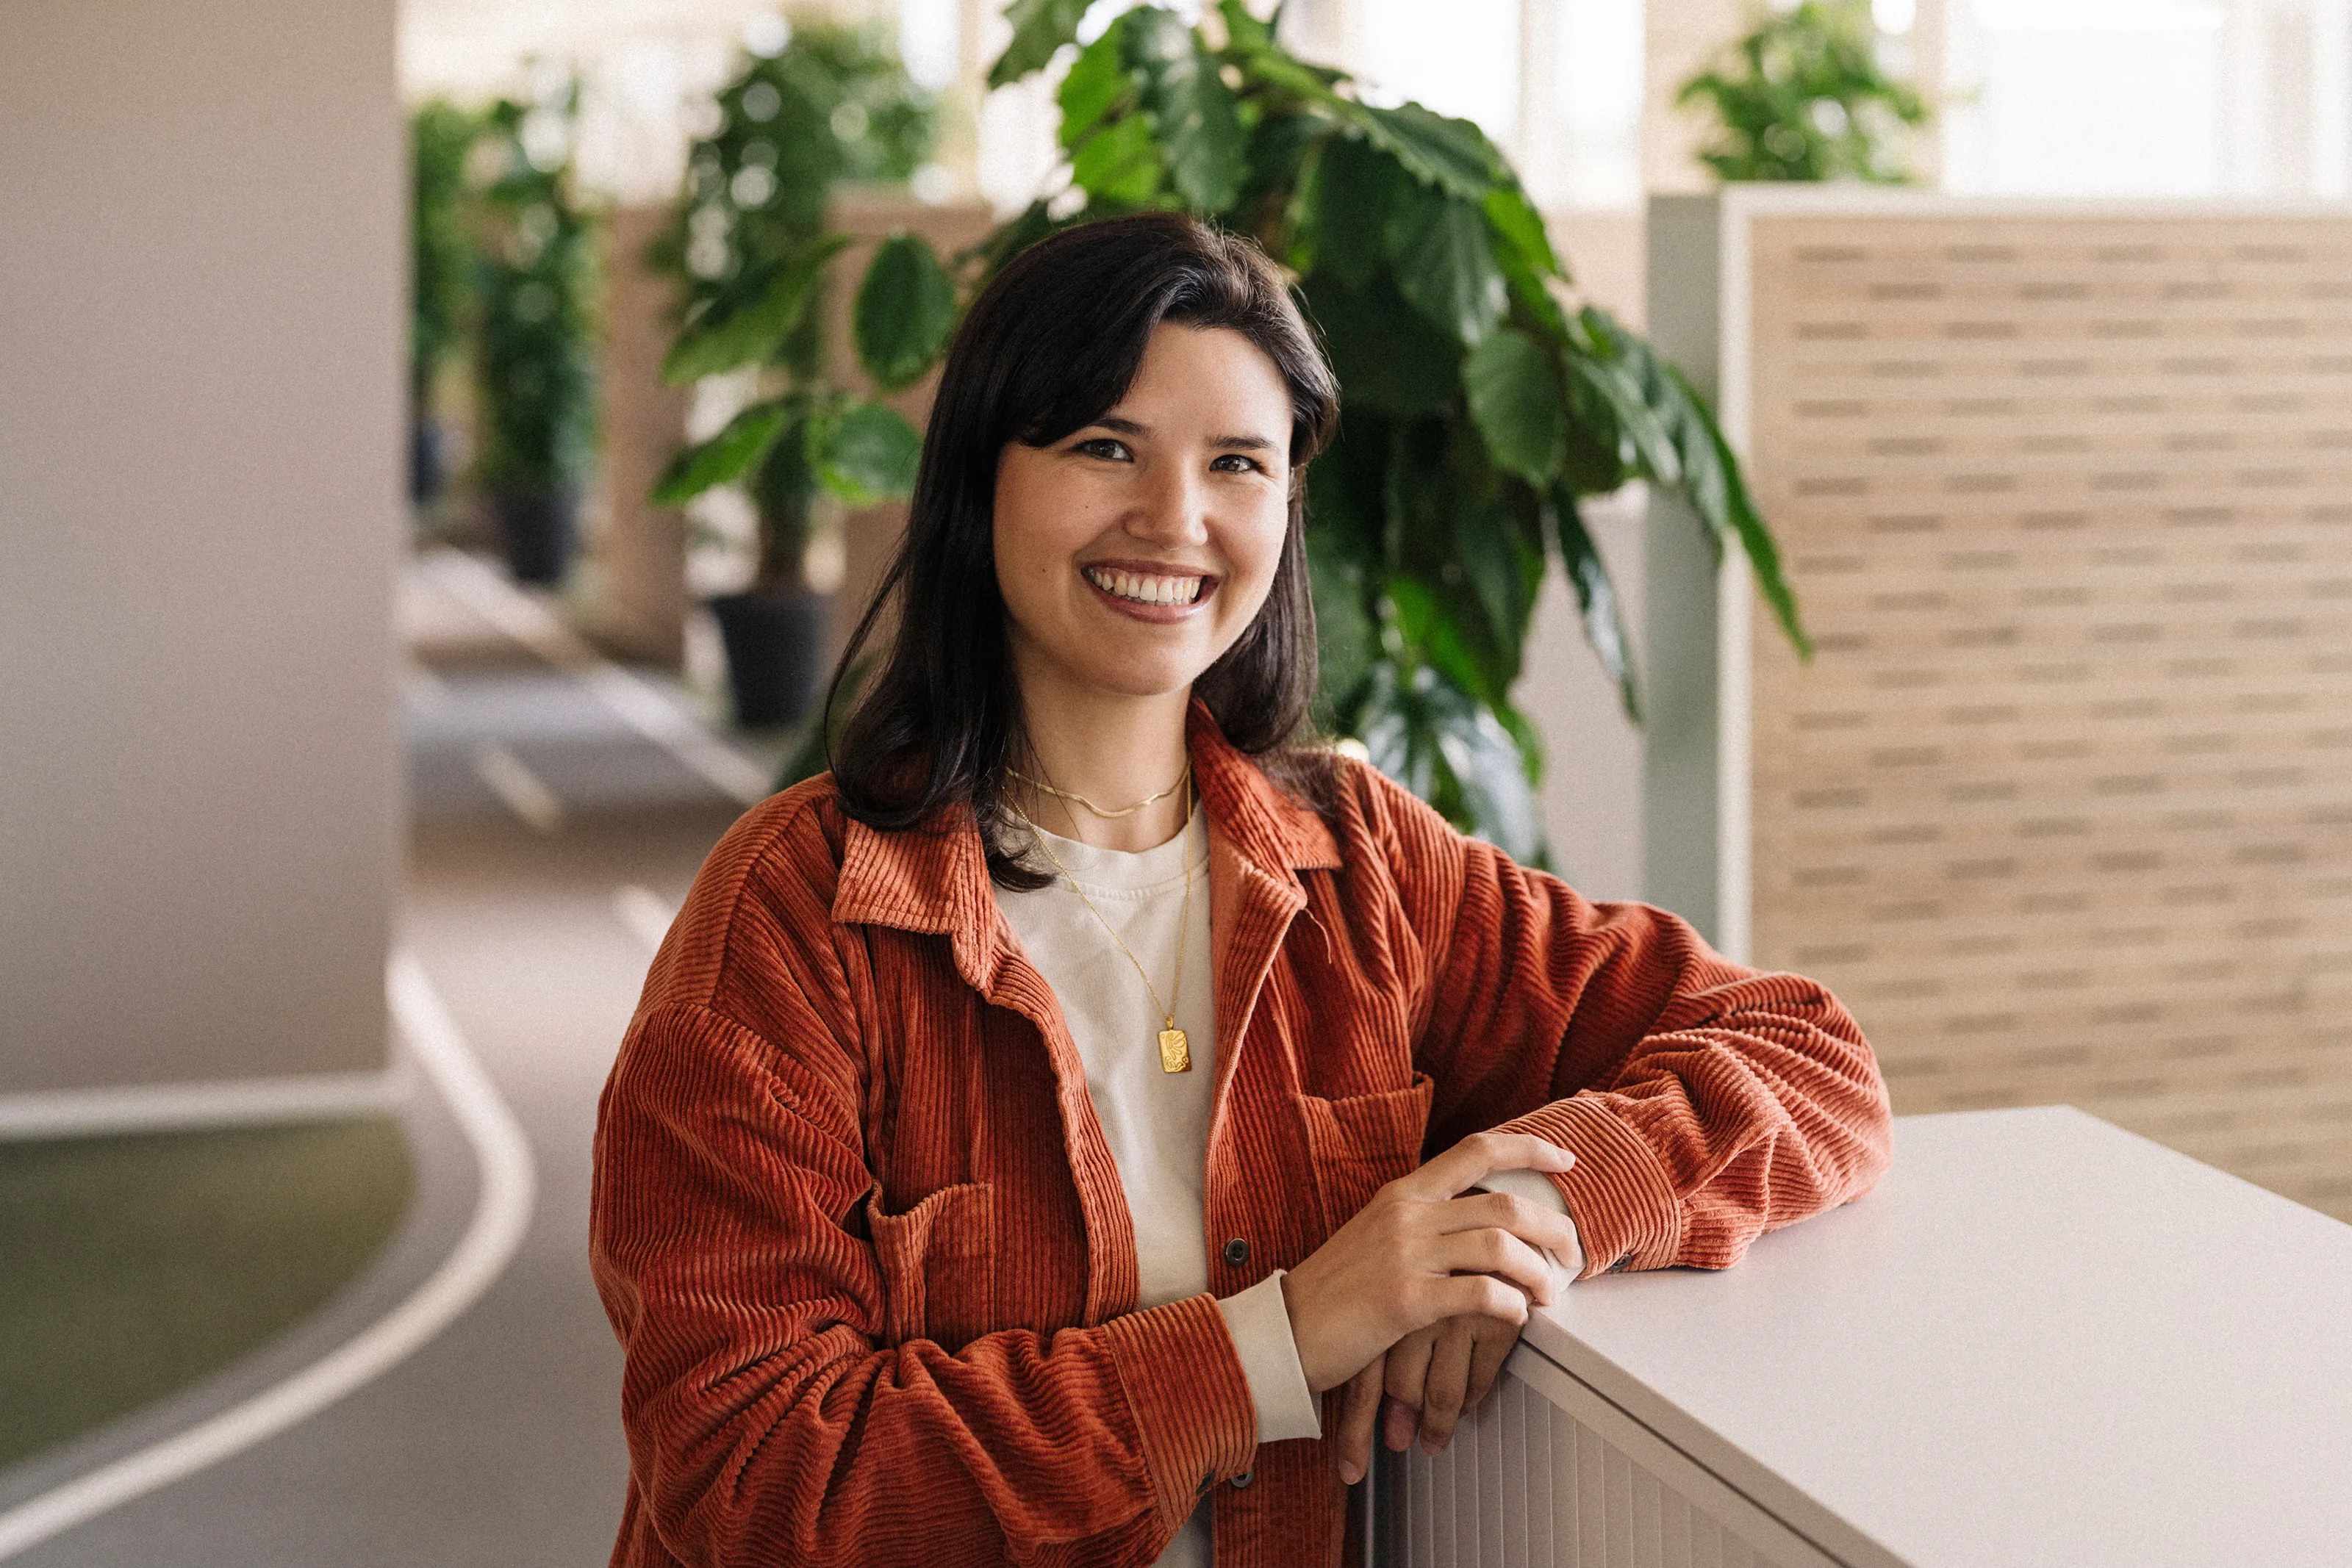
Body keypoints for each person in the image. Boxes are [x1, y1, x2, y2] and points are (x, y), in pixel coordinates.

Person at [589, 212, 1891, 1568]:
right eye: (1106, 446)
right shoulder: (797, 918)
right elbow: (754, 1474)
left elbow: (1808, 1054)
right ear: (983, 478)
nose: (1176, 518)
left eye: (1238, 464)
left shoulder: (1361, 865)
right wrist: (1285, 1331)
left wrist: (1521, 1221)